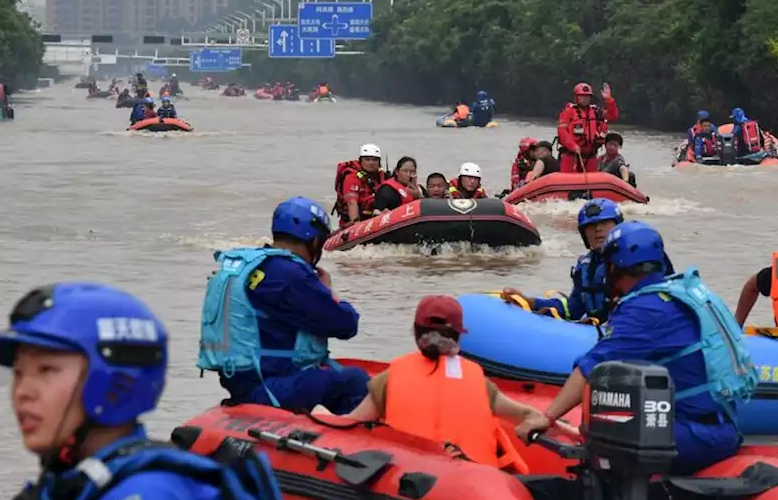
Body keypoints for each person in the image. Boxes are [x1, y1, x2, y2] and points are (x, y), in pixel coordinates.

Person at [0, 283, 301, 500]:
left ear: (111, 383)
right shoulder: (79, 486)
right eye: (19, 373)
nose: (22, 392)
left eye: (46, 370)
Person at [515, 221, 756, 474]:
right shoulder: (679, 291)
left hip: (696, 436)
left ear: (614, 267)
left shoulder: (644, 309)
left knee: (603, 434)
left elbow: (591, 367)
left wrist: (547, 417)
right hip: (720, 426)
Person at [313, 295, 544, 470]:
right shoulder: (478, 381)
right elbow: (525, 415)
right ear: (457, 335)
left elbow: (348, 426)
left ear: (416, 333)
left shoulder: (390, 378)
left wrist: (320, 413)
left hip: (414, 482)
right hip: (476, 481)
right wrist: (540, 418)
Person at [199, 196, 370, 413]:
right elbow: (346, 325)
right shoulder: (288, 275)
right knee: (355, 380)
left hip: (240, 380)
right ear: (315, 240)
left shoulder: (252, 264)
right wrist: (328, 291)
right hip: (269, 386)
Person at [504, 198, 624, 321]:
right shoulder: (586, 266)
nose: (598, 229)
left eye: (604, 223)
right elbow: (571, 309)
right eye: (591, 225)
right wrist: (530, 302)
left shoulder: (630, 263)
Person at [556, 82, 619, 173]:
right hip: (571, 156)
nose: (584, 98)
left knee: (590, 182)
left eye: (587, 96)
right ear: (576, 97)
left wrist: (608, 100)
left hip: (591, 156)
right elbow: (562, 132)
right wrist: (573, 146)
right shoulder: (568, 112)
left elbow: (613, 115)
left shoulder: (596, 112)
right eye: (581, 96)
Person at [333, 143, 388, 226]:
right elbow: (351, 202)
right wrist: (357, 225)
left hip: (375, 217)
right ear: (361, 160)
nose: (371, 163)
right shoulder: (352, 177)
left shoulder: (382, 176)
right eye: (367, 159)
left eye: (374, 160)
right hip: (356, 222)